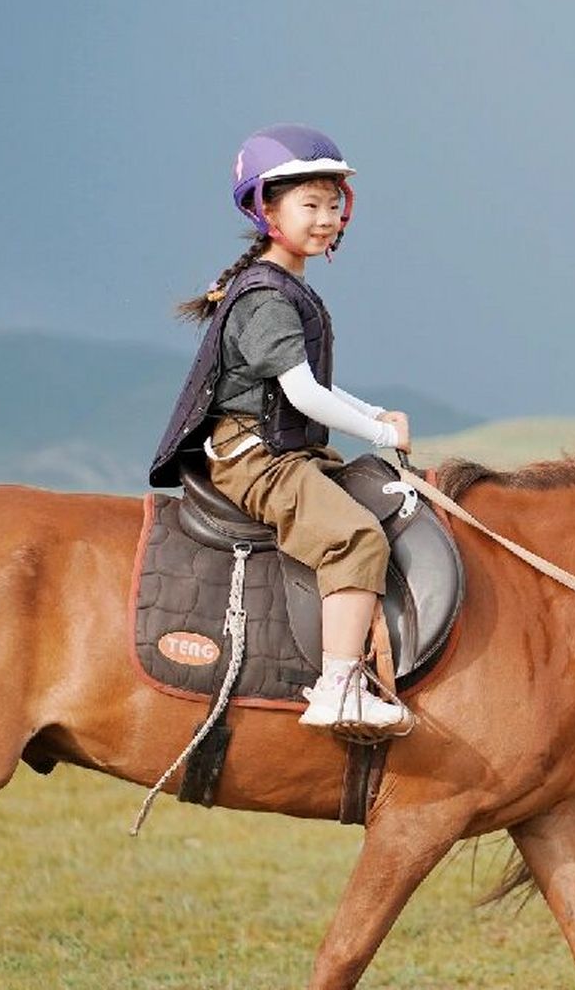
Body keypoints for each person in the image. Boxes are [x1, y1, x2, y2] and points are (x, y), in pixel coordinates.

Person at [150, 123, 412, 732]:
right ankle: (338, 687)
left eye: (332, 204)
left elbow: (307, 388)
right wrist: (378, 436)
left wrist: (373, 414)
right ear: (267, 209)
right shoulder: (267, 298)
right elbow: (301, 394)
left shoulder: (288, 285)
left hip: (284, 448)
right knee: (354, 537)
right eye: (309, 204)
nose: (324, 218)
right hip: (255, 458)